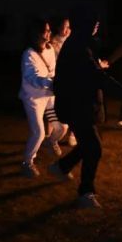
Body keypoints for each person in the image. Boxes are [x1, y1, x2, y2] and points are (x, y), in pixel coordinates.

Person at [50, 8, 122, 209]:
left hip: (83, 104)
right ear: (85, 23)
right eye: (94, 21)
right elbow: (96, 76)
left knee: (89, 144)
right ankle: (86, 192)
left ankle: (62, 166)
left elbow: (92, 74)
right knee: (94, 148)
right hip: (77, 105)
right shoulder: (78, 47)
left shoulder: (82, 43)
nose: (97, 24)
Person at [18, 18, 67, 177]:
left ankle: (50, 141)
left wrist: (57, 82)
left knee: (62, 127)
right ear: (37, 33)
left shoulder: (50, 49)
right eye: (46, 30)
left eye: (49, 30)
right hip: (33, 99)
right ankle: (27, 162)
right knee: (38, 133)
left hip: (48, 96)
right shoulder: (29, 54)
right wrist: (51, 83)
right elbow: (32, 77)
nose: (49, 33)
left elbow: (52, 71)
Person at [49, 16, 76, 147]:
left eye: (69, 27)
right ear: (59, 27)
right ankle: (49, 135)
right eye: (64, 27)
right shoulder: (52, 44)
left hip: (72, 80)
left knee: (74, 108)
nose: (66, 30)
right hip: (59, 80)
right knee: (54, 108)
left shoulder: (74, 42)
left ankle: (72, 135)